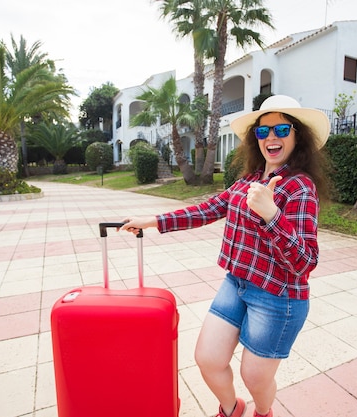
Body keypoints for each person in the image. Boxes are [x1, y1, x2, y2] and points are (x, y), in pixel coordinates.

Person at [120, 95, 330, 417]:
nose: (271, 137)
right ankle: (232, 410)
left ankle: (262, 411)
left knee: (255, 377)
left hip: (278, 297)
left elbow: (305, 262)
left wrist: (272, 214)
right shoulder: (248, 180)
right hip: (237, 284)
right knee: (207, 359)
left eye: (281, 129)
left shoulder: (300, 187)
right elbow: (209, 209)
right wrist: (153, 221)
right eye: (263, 132)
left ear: (296, 135)